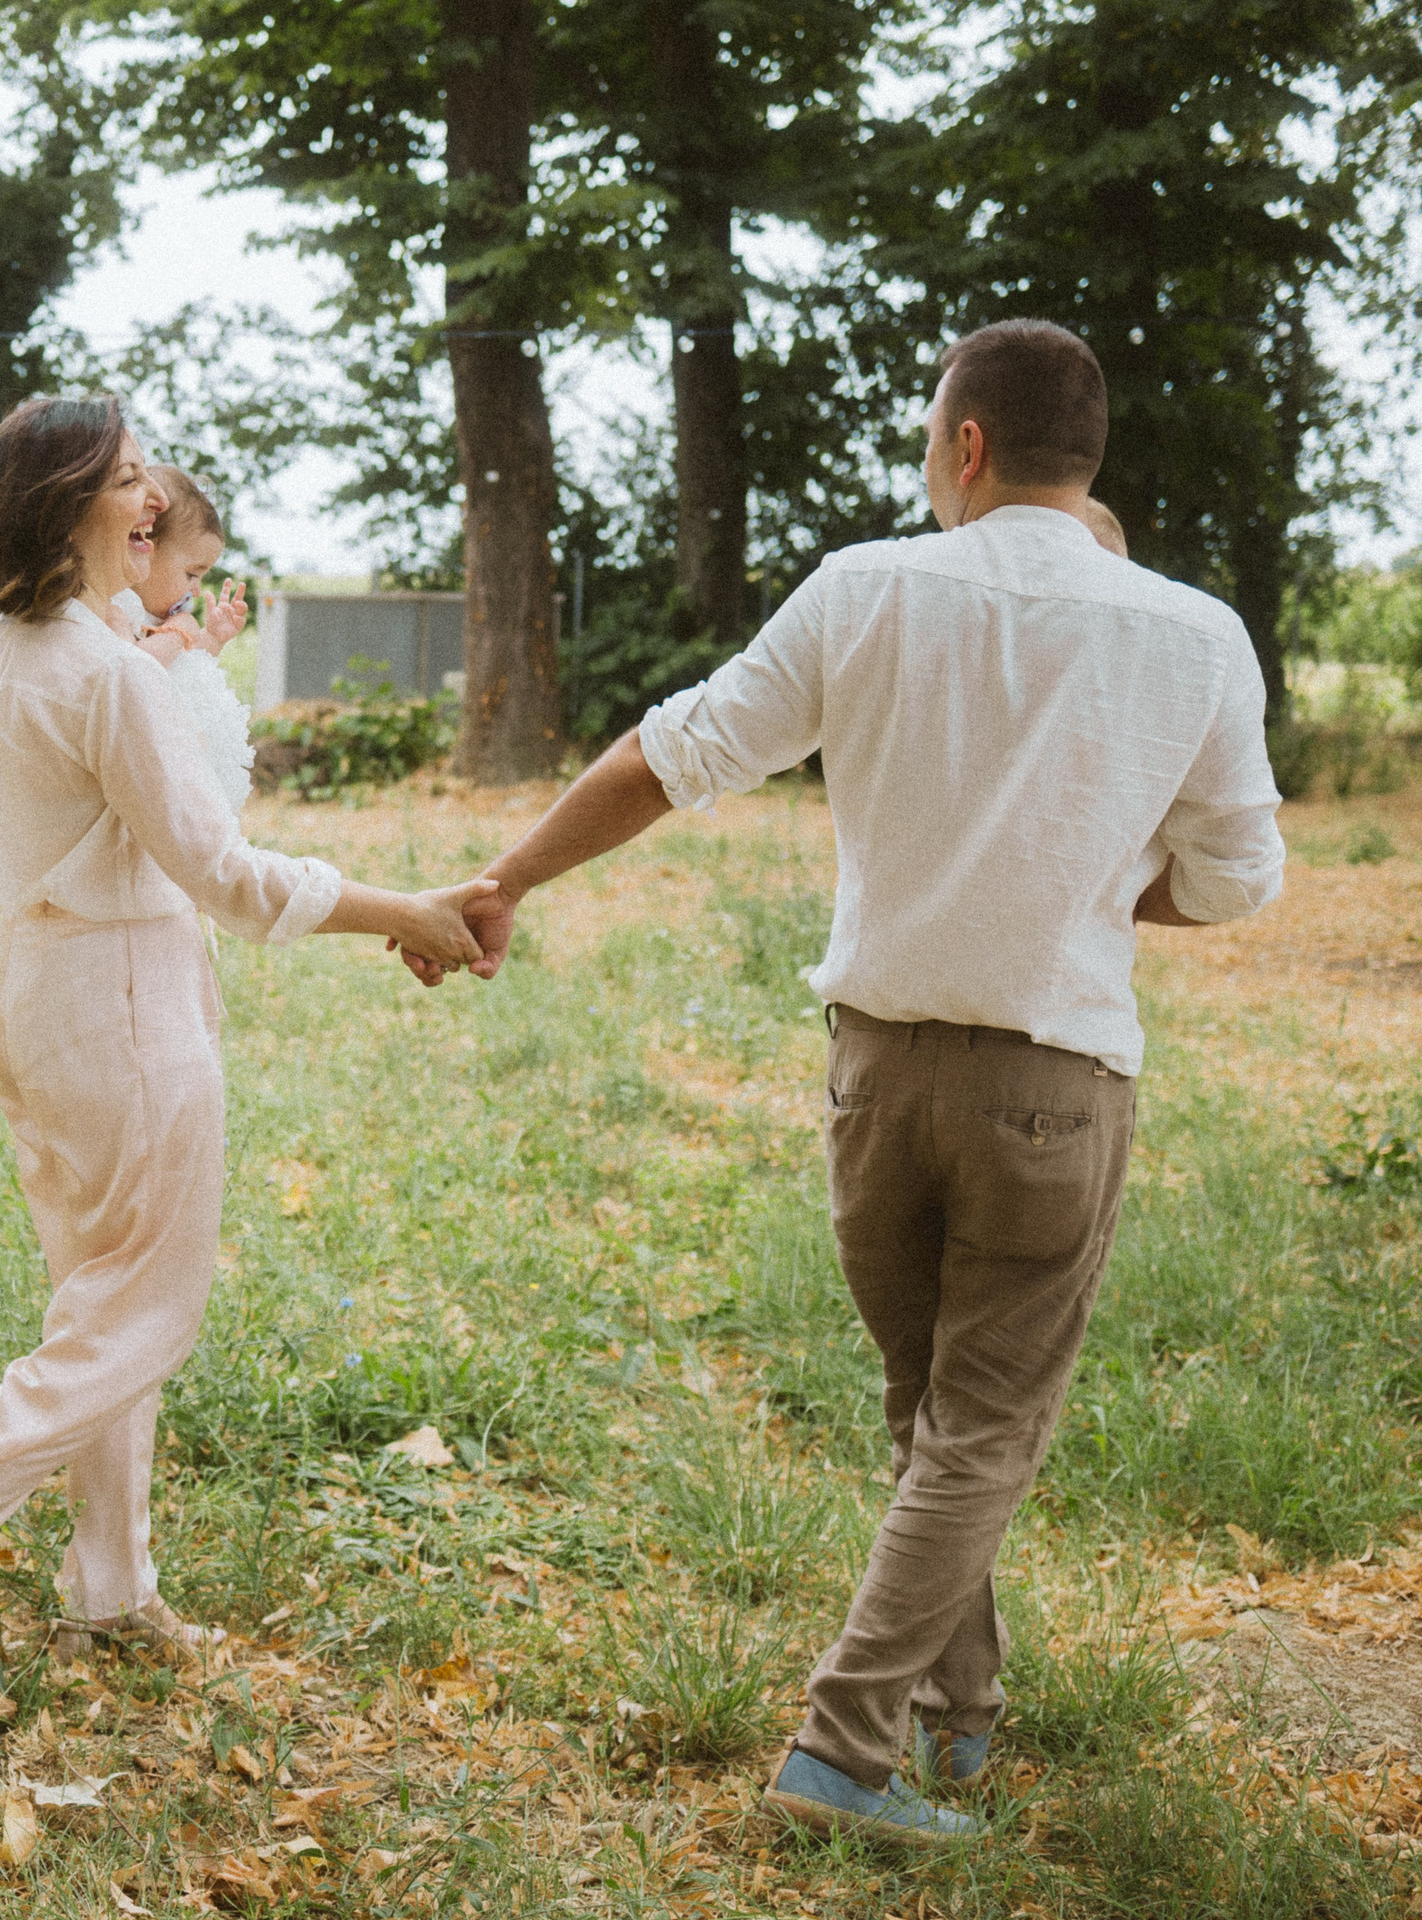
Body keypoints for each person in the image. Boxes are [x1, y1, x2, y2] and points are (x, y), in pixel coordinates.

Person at [412, 320, 1285, 1845]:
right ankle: (843, 1752)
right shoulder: (1194, 634)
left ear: (965, 446)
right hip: (1053, 1087)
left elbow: (676, 754)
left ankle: (962, 1728)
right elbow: (1236, 881)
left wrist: (508, 877)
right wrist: (1087, 890)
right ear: (1087, 459)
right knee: (981, 1427)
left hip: (875, 1078)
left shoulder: (868, 588)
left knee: (930, 1415)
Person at [0, 395, 493, 1659]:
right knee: (146, 1310)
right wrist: (407, 908)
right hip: (128, 1000)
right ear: (71, 497)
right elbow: (223, 876)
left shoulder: (2, 658)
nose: (150, 498)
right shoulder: (108, 676)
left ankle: (111, 1589)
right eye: (127, 479)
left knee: (95, 1301)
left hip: (35, 990)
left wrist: (174, 638)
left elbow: (125, 658)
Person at [110, 466, 254, 811]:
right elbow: (135, 670)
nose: (195, 589)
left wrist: (212, 639)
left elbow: (183, 670)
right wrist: (179, 631)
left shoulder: (161, 619)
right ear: (144, 546)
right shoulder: (116, 608)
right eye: (191, 573)